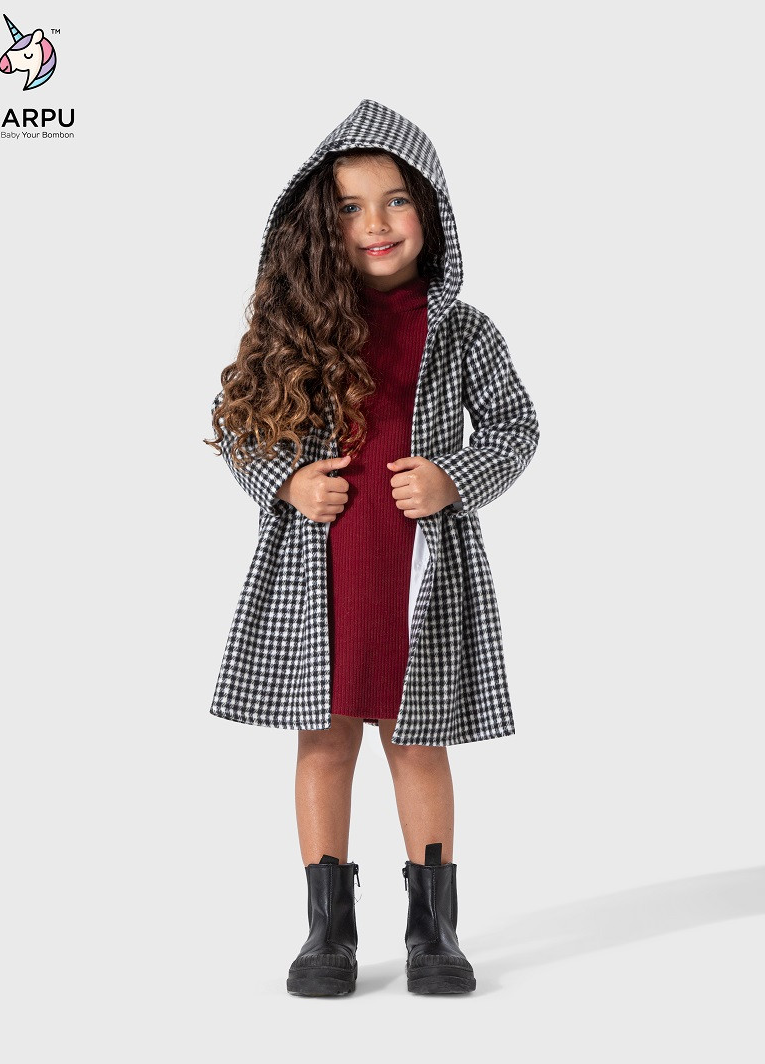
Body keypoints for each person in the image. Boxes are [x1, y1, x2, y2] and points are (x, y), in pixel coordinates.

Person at [204, 99, 540, 997]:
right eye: (351, 207)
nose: (377, 223)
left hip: (417, 577)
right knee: (324, 742)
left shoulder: (462, 331)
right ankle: (328, 932)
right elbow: (238, 423)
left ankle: (434, 931)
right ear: (324, 224)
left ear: (429, 209)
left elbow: (515, 426)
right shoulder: (299, 325)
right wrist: (286, 481)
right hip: (321, 575)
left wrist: (453, 478)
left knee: (416, 742)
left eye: (395, 200)